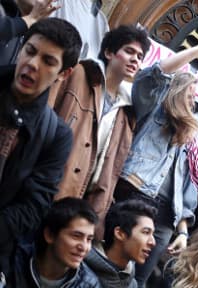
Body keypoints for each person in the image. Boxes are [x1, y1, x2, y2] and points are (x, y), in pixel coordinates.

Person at [113, 37, 198, 286]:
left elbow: (186, 193)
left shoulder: (188, 142)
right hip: (136, 196)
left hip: (166, 220)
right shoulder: (153, 110)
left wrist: (183, 232)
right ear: (176, 90)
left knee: (138, 282)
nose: (192, 101)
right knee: (113, 266)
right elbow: (155, 74)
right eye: (190, 93)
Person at [49, 24, 151, 241]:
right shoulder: (78, 75)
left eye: (140, 56)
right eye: (129, 51)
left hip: (83, 204)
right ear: (109, 52)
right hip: (49, 185)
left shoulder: (127, 111)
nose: (135, 60)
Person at [0, 17, 79, 278]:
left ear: (64, 73)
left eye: (48, 61)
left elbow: (32, 206)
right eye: (30, 51)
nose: (32, 65)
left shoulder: (56, 135)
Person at [12, 197, 100, 287]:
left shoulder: (89, 284)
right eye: (76, 236)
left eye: (89, 239)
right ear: (49, 235)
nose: (84, 247)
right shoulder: (14, 262)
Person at [85, 199, 157, 288]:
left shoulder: (132, 284)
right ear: (120, 233)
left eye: (152, 234)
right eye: (146, 232)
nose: (153, 242)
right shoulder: (79, 272)